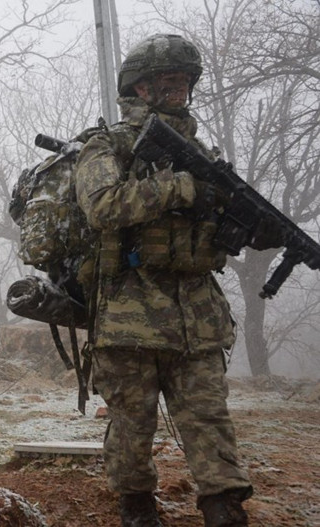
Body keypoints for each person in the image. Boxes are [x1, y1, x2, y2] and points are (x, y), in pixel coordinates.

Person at [73, 34, 276, 527]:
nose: (180, 89)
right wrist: (180, 187)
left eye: (186, 81)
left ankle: (223, 503)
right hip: (129, 314)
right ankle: (137, 506)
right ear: (140, 88)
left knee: (209, 419)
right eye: (169, 81)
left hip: (197, 313)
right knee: (132, 425)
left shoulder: (203, 154)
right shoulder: (109, 145)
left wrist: (246, 219)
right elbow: (101, 206)